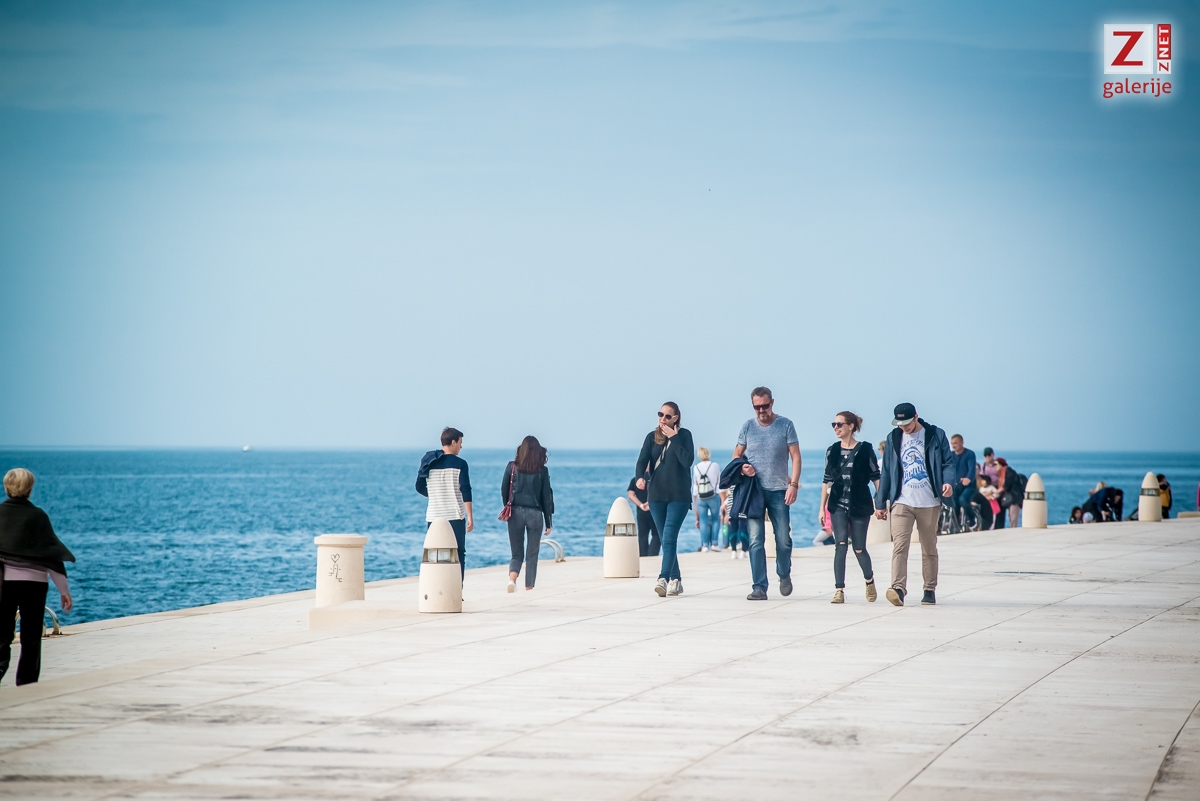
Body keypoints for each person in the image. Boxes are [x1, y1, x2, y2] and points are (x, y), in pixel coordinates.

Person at [874, 403, 954, 607]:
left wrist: (948, 482)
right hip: (902, 500)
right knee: (899, 546)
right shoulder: (893, 438)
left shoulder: (935, 435)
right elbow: (886, 471)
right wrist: (880, 502)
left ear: (916, 417)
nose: (904, 427)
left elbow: (947, 462)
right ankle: (898, 589)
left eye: (907, 423)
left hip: (929, 501)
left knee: (929, 547)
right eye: (900, 424)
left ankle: (929, 589)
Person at [0, 468, 74, 686]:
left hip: (4, 584)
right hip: (34, 584)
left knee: (1, 634)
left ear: (6, 488)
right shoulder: (38, 516)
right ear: (29, 489)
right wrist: (64, 590)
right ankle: (27, 684)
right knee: (31, 637)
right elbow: (52, 555)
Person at [734, 387, 801, 601]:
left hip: (779, 490)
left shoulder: (785, 425)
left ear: (772, 402)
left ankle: (784, 573)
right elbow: (737, 455)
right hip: (754, 491)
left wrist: (793, 485)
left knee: (783, 539)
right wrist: (742, 467)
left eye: (765, 405)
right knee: (755, 541)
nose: (761, 410)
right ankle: (759, 587)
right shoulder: (747, 427)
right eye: (757, 407)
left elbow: (796, 456)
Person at [635, 402, 695, 597]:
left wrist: (674, 438)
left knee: (669, 537)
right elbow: (642, 461)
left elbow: (687, 461)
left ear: (676, 418)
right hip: (656, 497)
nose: (663, 419)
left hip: (679, 496)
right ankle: (676, 580)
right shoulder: (651, 437)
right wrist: (639, 478)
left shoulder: (684, 436)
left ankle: (663, 578)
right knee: (665, 539)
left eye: (668, 416)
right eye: (660, 414)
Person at [819, 411, 880, 604]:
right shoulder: (832, 451)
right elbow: (826, 480)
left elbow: (875, 477)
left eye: (839, 424)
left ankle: (869, 580)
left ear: (851, 426)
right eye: (834, 425)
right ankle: (839, 590)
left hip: (860, 504)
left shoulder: (866, 449)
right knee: (840, 546)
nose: (836, 428)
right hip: (837, 504)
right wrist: (822, 508)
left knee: (859, 548)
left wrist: (880, 502)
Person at [415, 427, 473, 579]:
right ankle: (457, 587)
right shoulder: (461, 464)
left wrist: (433, 494)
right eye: (460, 442)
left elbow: (419, 486)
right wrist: (470, 516)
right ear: (453, 442)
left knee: (436, 553)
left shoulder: (429, 462)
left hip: (434, 516)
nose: (461, 446)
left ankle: (437, 584)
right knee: (458, 552)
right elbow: (466, 490)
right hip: (455, 516)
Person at [500, 436, 554, 592]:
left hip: (515, 512)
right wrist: (548, 522)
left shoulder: (511, 467)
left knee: (516, 553)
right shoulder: (542, 471)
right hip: (535, 514)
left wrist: (508, 507)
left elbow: (504, 490)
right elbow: (546, 498)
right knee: (532, 554)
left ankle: (512, 580)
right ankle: (529, 587)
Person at [692, 447, 724, 552]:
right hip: (713, 496)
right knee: (715, 520)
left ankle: (705, 546)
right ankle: (714, 544)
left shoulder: (696, 467)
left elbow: (695, 485)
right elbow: (719, 482)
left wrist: (695, 500)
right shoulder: (715, 465)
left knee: (703, 521)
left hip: (701, 497)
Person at [627, 472, 660, 557]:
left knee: (642, 535)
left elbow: (630, 495)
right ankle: (652, 554)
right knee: (657, 534)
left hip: (641, 511)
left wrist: (641, 505)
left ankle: (643, 555)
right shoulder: (656, 479)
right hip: (655, 509)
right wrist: (650, 503)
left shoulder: (635, 480)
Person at [949, 435, 978, 528]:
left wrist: (968, 478)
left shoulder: (969, 454)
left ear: (962, 443)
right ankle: (956, 525)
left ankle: (972, 518)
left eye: (956, 443)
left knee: (963, 500)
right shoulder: (950, 455)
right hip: (956, 485)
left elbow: (972, 469)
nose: (953, 445)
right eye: (952, 443)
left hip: (969, 486)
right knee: (954, 504)